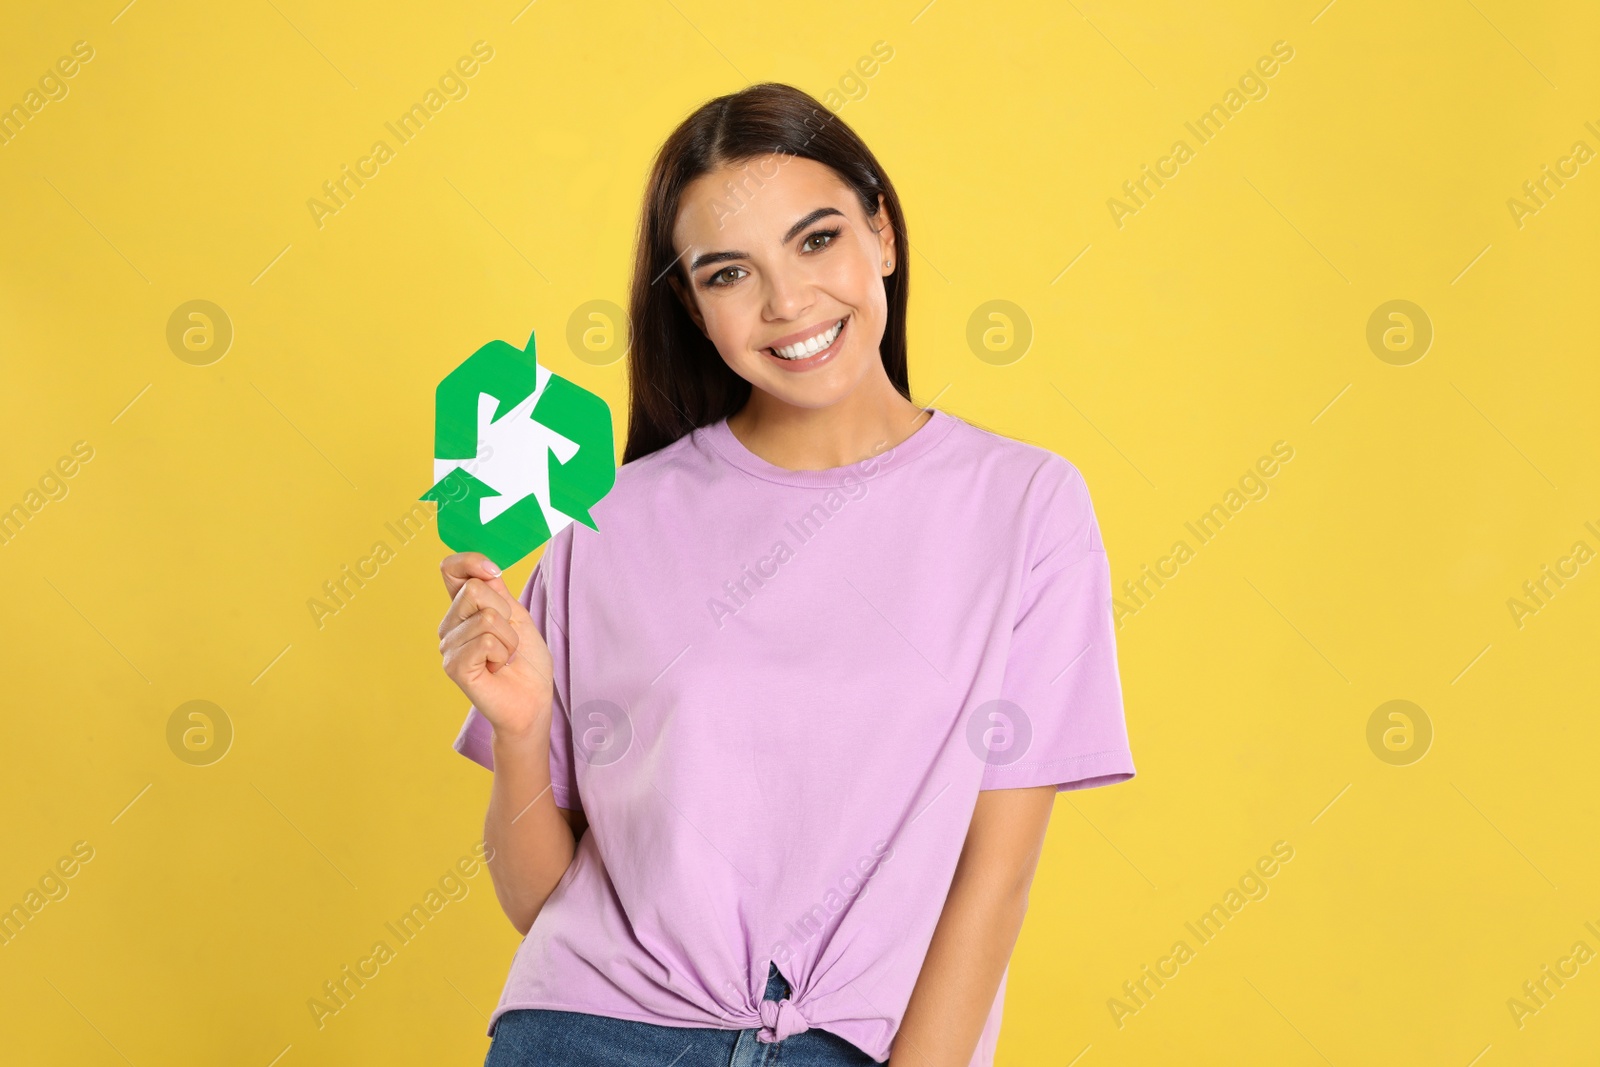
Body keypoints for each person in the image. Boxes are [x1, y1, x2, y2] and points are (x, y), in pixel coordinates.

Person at [436, 81, 1136, 1067]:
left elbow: (995, 875)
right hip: (588, 1035)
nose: (788, 302)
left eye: (816, 240)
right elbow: (540, 905)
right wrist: (519, 731)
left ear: (880, 233)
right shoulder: (608, 518)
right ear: (691, 302)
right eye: (729, 272)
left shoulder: (1023, 505)